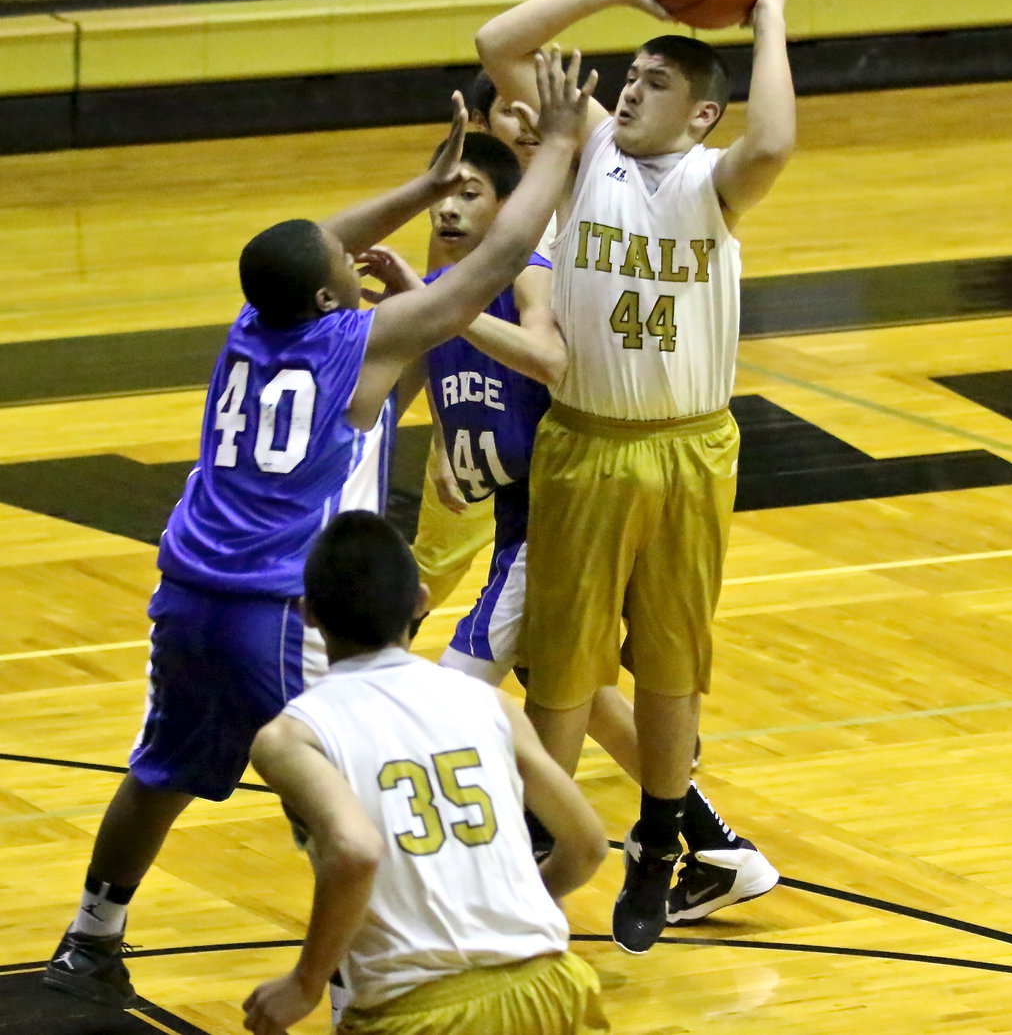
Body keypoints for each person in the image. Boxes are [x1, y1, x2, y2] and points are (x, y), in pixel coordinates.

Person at [41, 49, 597, 1008]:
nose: (359, 253)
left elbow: (305, 243)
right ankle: (349, 975)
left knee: (162, 768)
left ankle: (92, 934)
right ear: (335, 299)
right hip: (273, 607)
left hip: (185, 589)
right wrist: (562, 147)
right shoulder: (363, 343)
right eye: (348, 266)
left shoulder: (251, 324)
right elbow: (498, 263)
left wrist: (421, 186)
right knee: (338, 792)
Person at [476, 0, 794, 952]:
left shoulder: (715, 180)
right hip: (586, 444)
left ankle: (660, 842)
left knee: (669, 666)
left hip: (692, 449)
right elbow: (499, 45)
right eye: (633, 73)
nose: (633, 86)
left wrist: (770, 10)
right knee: (562, 671)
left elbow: (776, 137)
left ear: (702, 117)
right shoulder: (585, 150)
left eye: (659, 81)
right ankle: (548, 852)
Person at [408, 128, 776, 922]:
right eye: (442, 189)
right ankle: (711, 843)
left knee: (444, 699)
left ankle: (501, 868)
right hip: (524, 517)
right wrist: (445, 431)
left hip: (562, 520)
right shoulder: (451, 274)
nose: (449, 205)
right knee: (562, 681)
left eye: (470, 191)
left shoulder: (531, 277)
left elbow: (541, 359)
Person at [242, 510, 610, 1035]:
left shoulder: (291, 736)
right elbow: (588, 844)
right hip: (552, 985)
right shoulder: (491, 704)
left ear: (308, 614)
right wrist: (522, 905)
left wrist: (306, 982)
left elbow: (354, 850)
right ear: (419, 602)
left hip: (423, 1010)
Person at [409, 66, 557, 613]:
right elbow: (435, 328)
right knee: (435, 565)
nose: (529, 121)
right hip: (482, 411)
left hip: (561, 425)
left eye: (539, 107)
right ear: (478, 122)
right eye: (512, 108)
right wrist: (447, 440)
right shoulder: (462, 212)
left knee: (551, 601)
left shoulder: (590, 189)